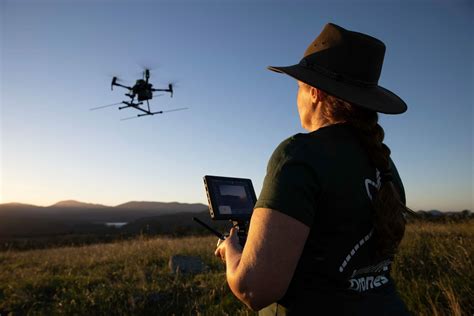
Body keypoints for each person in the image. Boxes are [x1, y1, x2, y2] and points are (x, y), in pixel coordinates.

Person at [214, 23, 415, 315]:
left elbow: (253, 289)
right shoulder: (384, 163)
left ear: (315, 93)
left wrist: (232, 252)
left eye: (298, 87)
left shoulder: (299, 154)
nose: (295, 98)